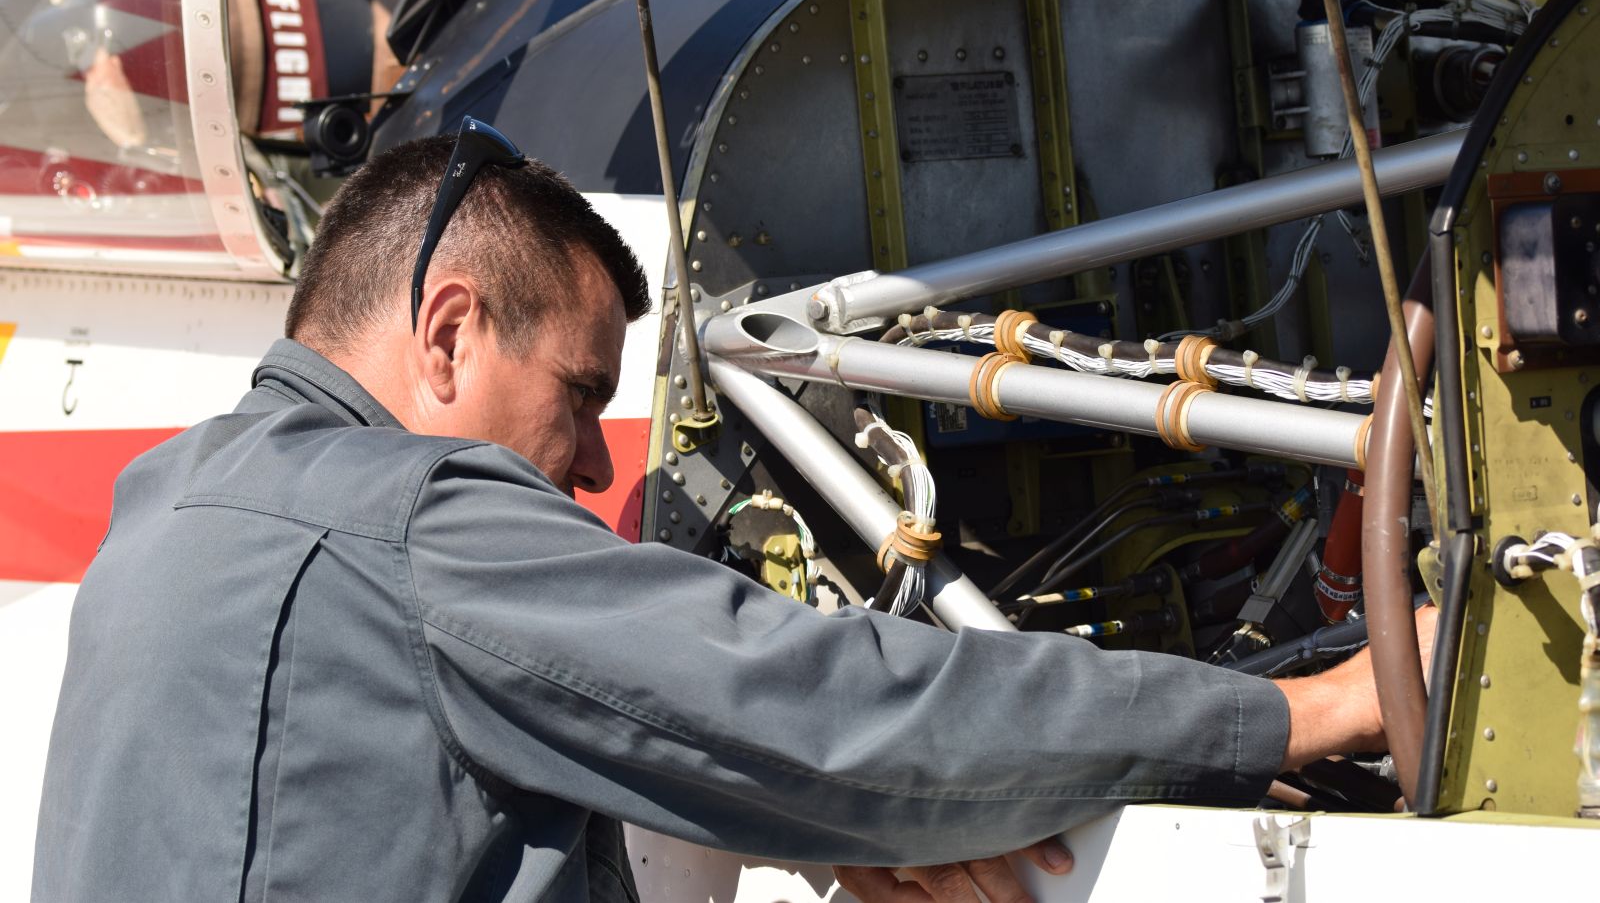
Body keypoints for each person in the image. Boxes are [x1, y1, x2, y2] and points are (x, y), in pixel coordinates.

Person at [32, 120, 1419, 903]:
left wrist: (824, 830)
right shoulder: (407, 519)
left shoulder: (175, 503)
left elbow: (401, 789)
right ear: (447, 333)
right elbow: (811, 701)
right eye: (578, 395)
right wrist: (1299, 713)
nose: (588, 465)